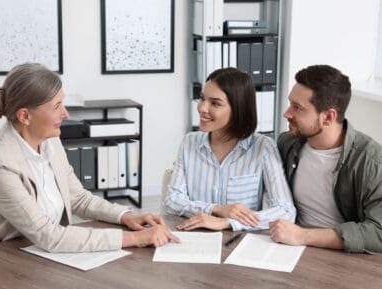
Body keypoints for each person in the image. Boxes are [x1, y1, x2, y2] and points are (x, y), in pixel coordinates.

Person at [0, 63, 179, 252]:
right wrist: (135, 238)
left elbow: (79, 198)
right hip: (13, 260)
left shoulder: (50, 141)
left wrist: (125, 216)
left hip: (45, 253)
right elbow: (48, 235)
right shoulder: (1, 163)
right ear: (25, 116)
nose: (65, 113)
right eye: (56, 106)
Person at [164, 67, 296, 231]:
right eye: (202, 98)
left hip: (239, 241)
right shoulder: (189, 142)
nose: (202, 108)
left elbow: (285, 211)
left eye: (215, 103)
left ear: (238, 109)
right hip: (196, 239)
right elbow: (172, 201)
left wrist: (229, 222)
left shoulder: (263, 147)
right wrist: (216, 209)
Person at [269, 64, 382, 254]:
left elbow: (379, 232)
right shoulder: (287, 143)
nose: (287, 113)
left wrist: (302, 236)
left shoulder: (371, 161)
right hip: (288, 249)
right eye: (290, 104)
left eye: (297, 108)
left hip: (340, 257)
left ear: (328, 117)